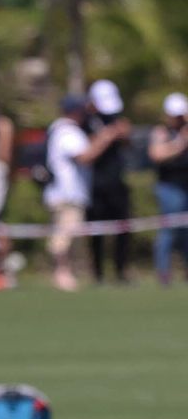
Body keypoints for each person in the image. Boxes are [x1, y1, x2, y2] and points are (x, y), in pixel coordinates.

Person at [44, 93, 127, 293]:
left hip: (68, 194)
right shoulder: (67, 131)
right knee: (64, 235)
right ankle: (61, 273)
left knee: (69, 235)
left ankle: (65, 272)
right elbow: (85, 156)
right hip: (67, 194)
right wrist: (107, 136)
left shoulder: (61, 130)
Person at [86, 80, 135, 284]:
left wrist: (124, 135)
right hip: (95, 185)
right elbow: (88, 152)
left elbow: (127, 146)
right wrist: (107, 135)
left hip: (117, 183)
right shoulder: (87, 122)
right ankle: (98, 274)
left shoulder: (117, 119)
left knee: (123, 229)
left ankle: (121, 271)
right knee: (96, 231)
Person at [149, 93, 188, 285]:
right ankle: (164, 273)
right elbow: (156, 154)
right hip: (170, 188)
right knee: (169, 230)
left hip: (186, 186)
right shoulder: (162, 132)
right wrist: (180, 143)